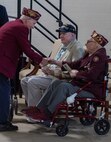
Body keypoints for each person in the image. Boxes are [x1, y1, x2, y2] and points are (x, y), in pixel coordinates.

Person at [26, 30, 108, 122]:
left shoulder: (99, 57)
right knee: (56, 83)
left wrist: (77, 74)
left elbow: (92, 75)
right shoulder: (90, 55)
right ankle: (39, 109)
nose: (86, 43)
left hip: (91, 89)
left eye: (89, 41)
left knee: (64, 86)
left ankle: (48, 113)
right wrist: (55, 61)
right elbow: (74, 64)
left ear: (96, 44)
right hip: (82, 86)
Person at [0, 7, 47, 131]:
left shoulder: (12, 24)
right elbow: (27, 50)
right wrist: (42, 61)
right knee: (3, 93)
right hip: (2, 64)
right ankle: (2, 123)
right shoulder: (21, 28)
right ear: (27, 19)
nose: (34, 26)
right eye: (34, 23)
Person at [21, 24, 85, 109]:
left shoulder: (77, 48)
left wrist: (52, 72)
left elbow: (73, 71)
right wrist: (46, 65)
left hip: (60, 80)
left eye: (64, 34)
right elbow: (56, 61)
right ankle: (35, 107)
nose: (60, 36)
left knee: (32, 82)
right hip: (51, 75)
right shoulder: (63, 45)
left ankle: (38, 111)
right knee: (24, 81)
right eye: (60, 33)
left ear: (73, 35)